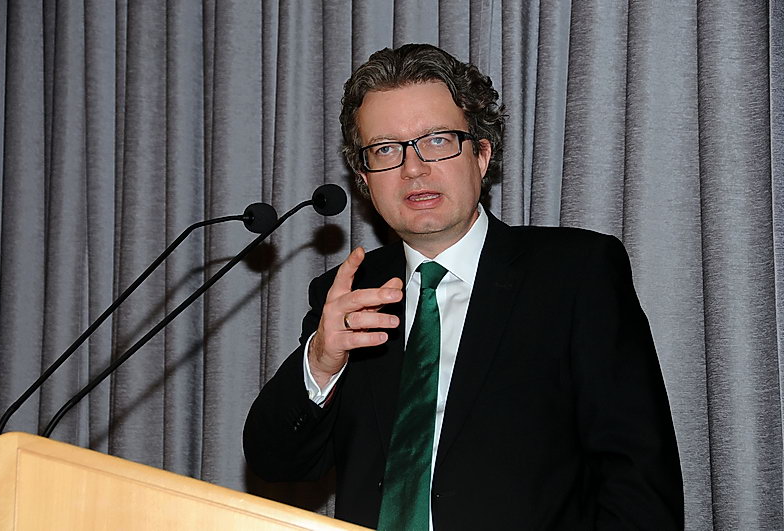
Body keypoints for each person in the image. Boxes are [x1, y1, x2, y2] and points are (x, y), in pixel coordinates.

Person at [244, 43, 683, 530]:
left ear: (482, 154)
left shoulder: (575, 274)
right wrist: (321, 360)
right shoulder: (348, 294)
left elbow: (639, 481)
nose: (413, 168)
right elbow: (276, 461)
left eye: (437, 140)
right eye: (386, 149)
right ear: (364, 179)